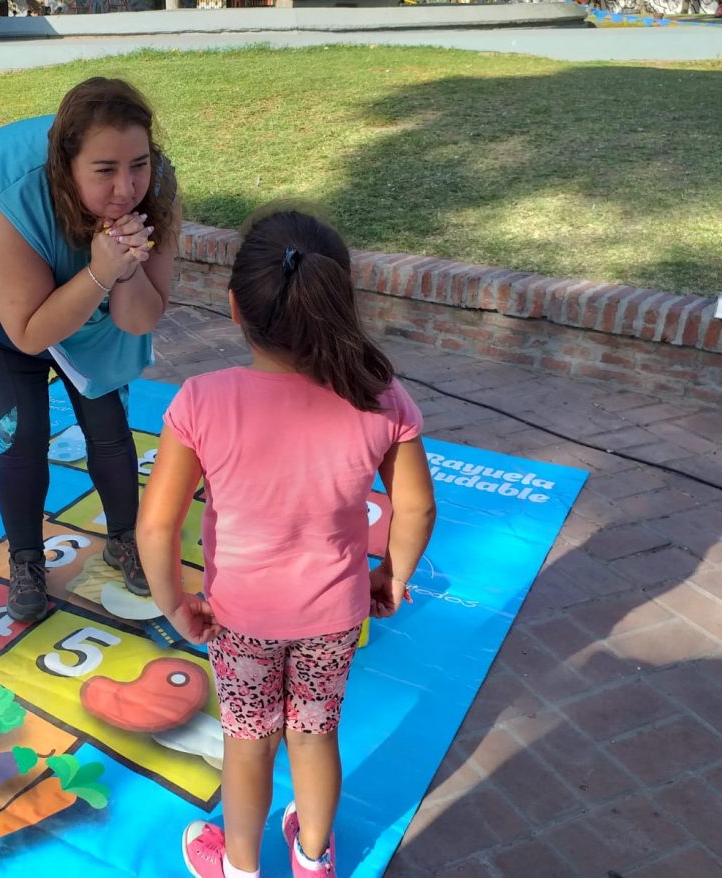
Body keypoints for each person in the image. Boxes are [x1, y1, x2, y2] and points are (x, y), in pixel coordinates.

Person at [137, 208, 436, 878]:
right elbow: (415, 506)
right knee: (315, 731)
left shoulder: (200, 401)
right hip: (336, 616)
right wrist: (394, 574)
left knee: (248, 744)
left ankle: (240, 866)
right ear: (338, 300)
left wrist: (175, 603)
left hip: (240, 617)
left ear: (235, 307)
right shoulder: (380, 397)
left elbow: (156, 526)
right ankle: (311, 856)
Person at [0, 77, 181, 623]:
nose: (126, 188)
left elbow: (141, 316)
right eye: (104, 171)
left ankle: (126, 537)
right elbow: (29, 331)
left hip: (90, 291)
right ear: (65, 168)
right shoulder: (9, 197)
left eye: (138, 165)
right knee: (23, 433)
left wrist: (120, 270)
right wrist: (101, 268)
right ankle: (26, 558)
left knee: (108, 422)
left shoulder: (157, 187)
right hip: (1, 315)